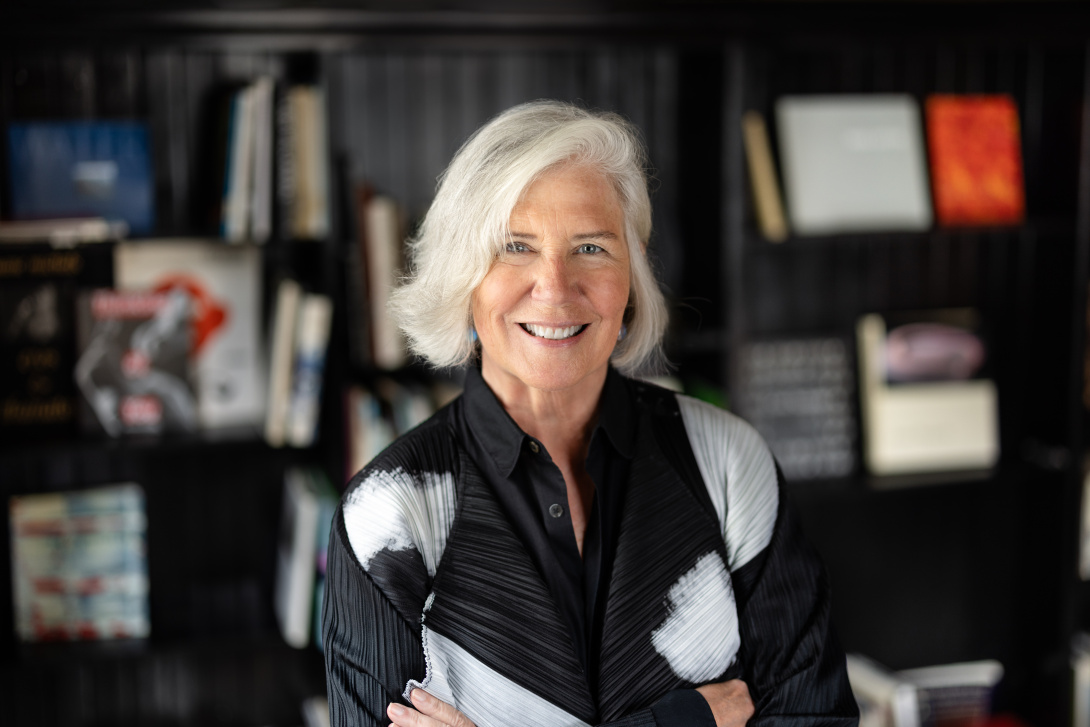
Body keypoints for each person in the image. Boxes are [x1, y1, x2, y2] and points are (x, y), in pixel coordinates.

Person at [322, 100, 859, 727]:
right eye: (515, 246)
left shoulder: (728, 465)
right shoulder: (389, 514)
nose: (554, 287)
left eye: (590, 247)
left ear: (631, 279)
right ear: (462, 277)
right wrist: (681, 720)